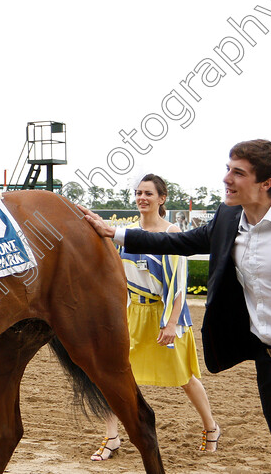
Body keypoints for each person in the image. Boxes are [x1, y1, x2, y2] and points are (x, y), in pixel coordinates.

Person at [79, 140, 271, 474]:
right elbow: (178, 242)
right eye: (227, 169)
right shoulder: (227, 218)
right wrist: (115, 233)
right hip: (266, 364)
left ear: (266, 184)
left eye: (238, 173)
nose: (226, 179)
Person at [91, 173, 219, 462]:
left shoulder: (173, 234)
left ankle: (211, 428)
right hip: (131, 314)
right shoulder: (124, 234)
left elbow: (178, 286)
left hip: (166, 315)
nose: (141, 198)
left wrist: (171, 323)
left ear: (162, 198)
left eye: (148, 193)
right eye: (138, 193)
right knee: (114, 376)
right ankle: (111, 437)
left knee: (184, 377)